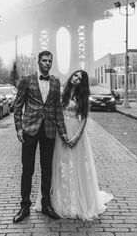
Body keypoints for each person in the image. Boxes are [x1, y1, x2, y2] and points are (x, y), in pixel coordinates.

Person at [35, 69, 113, 220]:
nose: (76, 79)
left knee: (76, 165)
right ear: (71, 76)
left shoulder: (82, 96)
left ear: (82, 83)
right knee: (58, 164)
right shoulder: (62, 92)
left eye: (80, 78)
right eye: (75, 75)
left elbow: (83, 118)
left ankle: (77, 201)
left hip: (75, 130)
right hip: (60, 130)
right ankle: (57, 200)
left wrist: (77, 136)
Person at [13, 50, 68, 223]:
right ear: (38, 62)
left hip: (49, 130)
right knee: (27, 168)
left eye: (50, 61)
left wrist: (63, 130)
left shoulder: (55, 82)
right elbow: (18, 105)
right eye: (44, 61)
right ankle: (24, 206)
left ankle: (46, 204)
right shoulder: (26, 80)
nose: (47, 63)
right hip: (30, 129)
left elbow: (57, 109)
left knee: (47, 169)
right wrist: (19, 128)